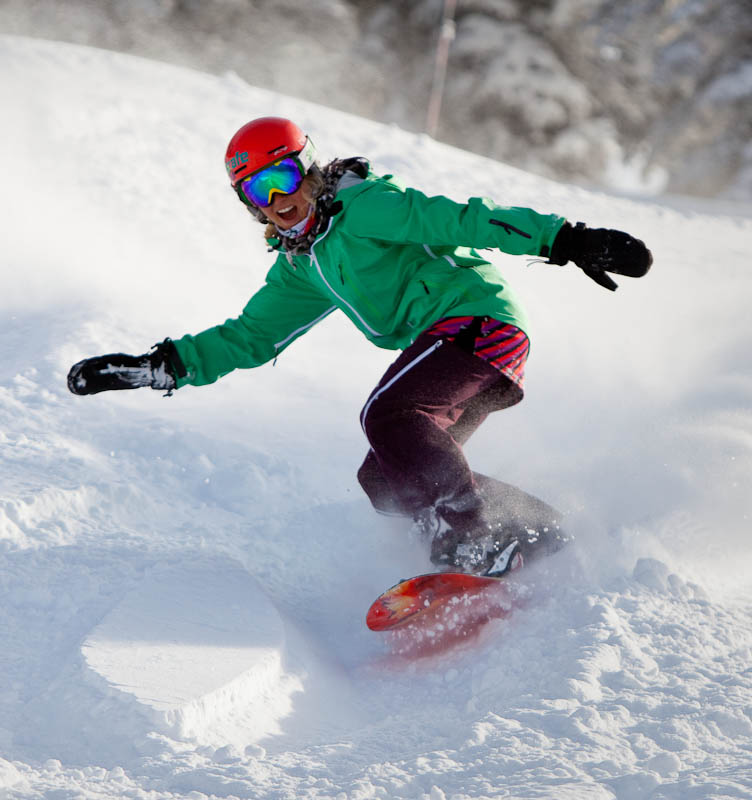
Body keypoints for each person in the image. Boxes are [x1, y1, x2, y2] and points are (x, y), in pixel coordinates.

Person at [67, 117, 651, 575]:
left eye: (285, 179)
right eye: (257, 192)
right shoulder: (303, 267)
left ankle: (472, 539)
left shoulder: (365, 205)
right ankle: (533, 531)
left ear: (308, 170)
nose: (277, 200)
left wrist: (565, 238)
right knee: (384, 476)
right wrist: (161, 367)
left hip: (477, 323)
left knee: (388, 415)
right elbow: (248, 336)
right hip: (456, 347)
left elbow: (461, 220)